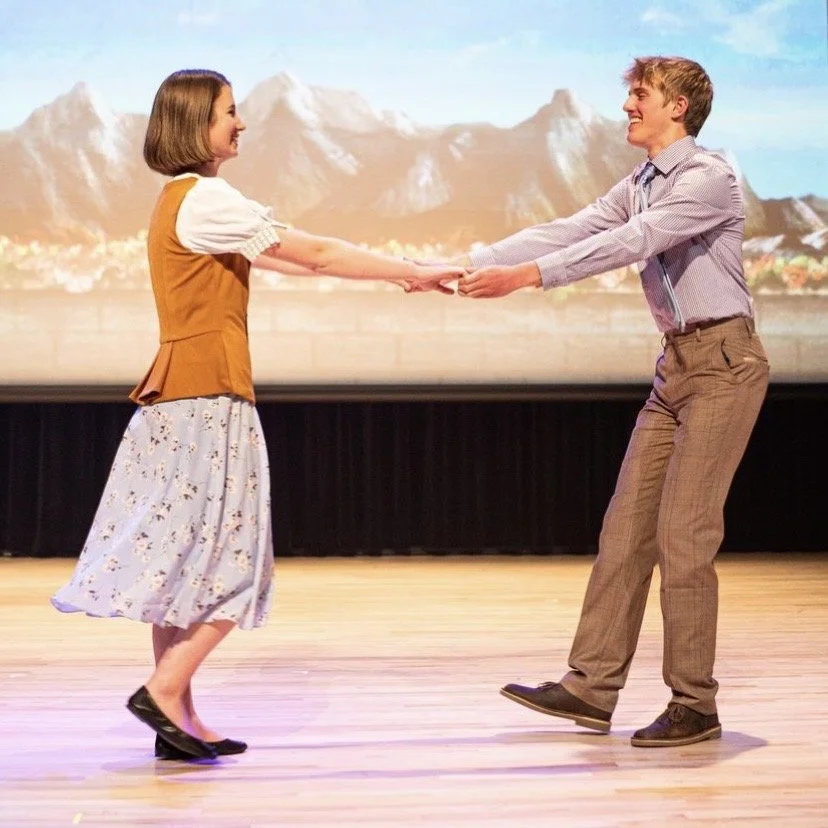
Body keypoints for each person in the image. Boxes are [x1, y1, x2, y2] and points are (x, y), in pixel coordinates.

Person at [51, 68, 463, 761]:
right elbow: (316, 254)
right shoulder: (207, 198)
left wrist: (396, 271)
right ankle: (163, 690)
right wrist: (412, 270)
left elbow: (292, 262)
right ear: (197, 124)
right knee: (234, 561)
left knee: (186, 566)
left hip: (178, 398)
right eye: (229, 112)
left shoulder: (180, 200)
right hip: (207, 402)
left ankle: (180, 717)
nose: (240, 123)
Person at [456, 56, 770, 746]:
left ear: (678, 107)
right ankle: (591, 687)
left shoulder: (709, 177)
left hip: (724, 365)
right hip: (675, 368)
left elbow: (633, 241)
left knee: (684, 535)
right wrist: (470, 263)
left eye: (640, 94)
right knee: (625, 531)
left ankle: (695, 704)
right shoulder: (641, 182)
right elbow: (573, 228)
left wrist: (525, 278)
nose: (628, 105)